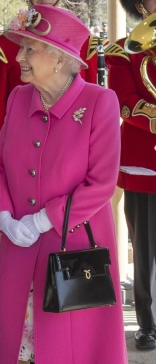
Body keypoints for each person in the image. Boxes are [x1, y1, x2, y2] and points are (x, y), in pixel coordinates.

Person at [0, 5, 128, 364]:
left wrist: (40, 220)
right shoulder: (18, 98)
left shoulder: (99, 102)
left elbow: (101, 184)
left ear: (61, 58)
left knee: (72, 348)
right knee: (16, 344)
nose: (18, 56)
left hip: (72, 251)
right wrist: (3, 216)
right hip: (18, 245)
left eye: (29, 48)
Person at [0, 0, 107, 163]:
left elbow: (93, 110)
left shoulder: (86, 44)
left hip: (73, 158)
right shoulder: (2, 47)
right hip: (22, 159)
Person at [108, 0, 156, 351]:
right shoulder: (124, 51)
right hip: (146, 161)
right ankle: (149, 323)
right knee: (147, 249)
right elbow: (124, 101)